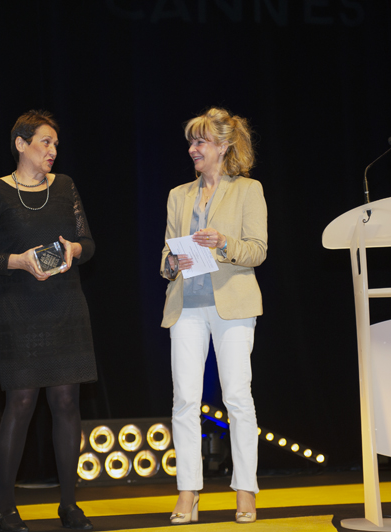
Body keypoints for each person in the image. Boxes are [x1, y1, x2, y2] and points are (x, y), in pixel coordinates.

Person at [0, 110, 97, 532]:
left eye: (56, 143)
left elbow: (89, 243)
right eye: (45, 142)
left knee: (67, 403)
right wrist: (19, 261)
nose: (53, 150)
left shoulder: (66, 186)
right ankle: (5, 506)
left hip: (66, 306)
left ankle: (69, 505)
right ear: (21, 144)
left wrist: (74, 250)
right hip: (20, 311)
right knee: (20, 404)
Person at [160, 108, 267, 525]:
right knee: (185, 399)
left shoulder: (249, 190)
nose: (193, 148)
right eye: (191, 141)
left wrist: (222, 243)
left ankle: (245, 489)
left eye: (201, 141)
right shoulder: (178, 195)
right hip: (186, 304)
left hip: (232, 305)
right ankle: (188, 492)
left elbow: (257, 250)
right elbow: (165, 255)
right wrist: (173, 262)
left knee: (237, 397)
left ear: (223, 146)